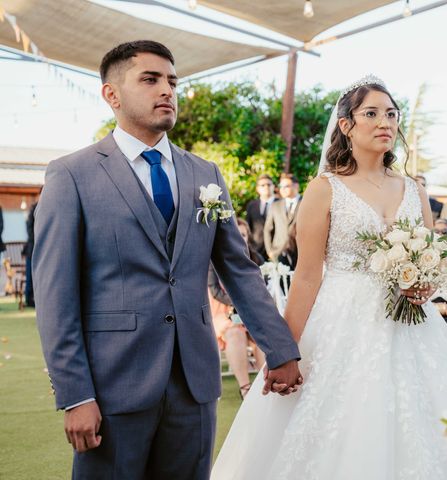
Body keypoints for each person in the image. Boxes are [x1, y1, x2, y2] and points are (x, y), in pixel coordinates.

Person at [33, 40, 301, 480]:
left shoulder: (205, 174)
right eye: (151, 79)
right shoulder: (72, 175)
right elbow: (54, 293)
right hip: (112, 385)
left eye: (173, 82)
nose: (167, 91)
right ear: (112, 95)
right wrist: (75, 393)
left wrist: (280, 349)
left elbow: (239, 270)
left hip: (194, 385)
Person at [212, 76, 447, 479]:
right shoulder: (324, 189)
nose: (384, 121)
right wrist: (286, 350)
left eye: (390, 113)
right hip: (342, 323)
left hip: (414, 330)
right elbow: (306, 278)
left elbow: (433, 261)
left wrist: (424, 284)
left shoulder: (412, 189)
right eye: (370, 113)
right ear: (346, 125)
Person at [209, 218, 266, 400]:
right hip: (223, 311)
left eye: (243, 235)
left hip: (250, 311)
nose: (239, 238)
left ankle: (265, 383)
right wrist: (239, 302)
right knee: (235, 332)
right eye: (236, 234)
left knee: (262, 333)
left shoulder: (256, 258)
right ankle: (246, 388)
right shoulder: (213, 259)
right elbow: (215, 291)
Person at [264, 174, 301, 261]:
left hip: (299, 252)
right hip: (277, 252)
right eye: (281, 186)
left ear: (296, 186)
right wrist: (269, 251)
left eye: (286, 186)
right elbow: (267, 229)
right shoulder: (275, 205)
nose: (282, 189)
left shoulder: (305, 203)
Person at [244, 174, 276, 258]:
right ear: (257, 189)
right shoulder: (251, 205)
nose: (266, 187)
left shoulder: (281, 203)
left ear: (273, 186)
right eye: (263, 185)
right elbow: (248, 226)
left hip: (276, 249)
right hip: (256, 249)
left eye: (269, 184)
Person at [22, 202, 37, 307]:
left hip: (33, 247)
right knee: (30, 275)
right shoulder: (35, 208)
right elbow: (29, 229)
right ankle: (29, 299)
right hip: (32, 248)